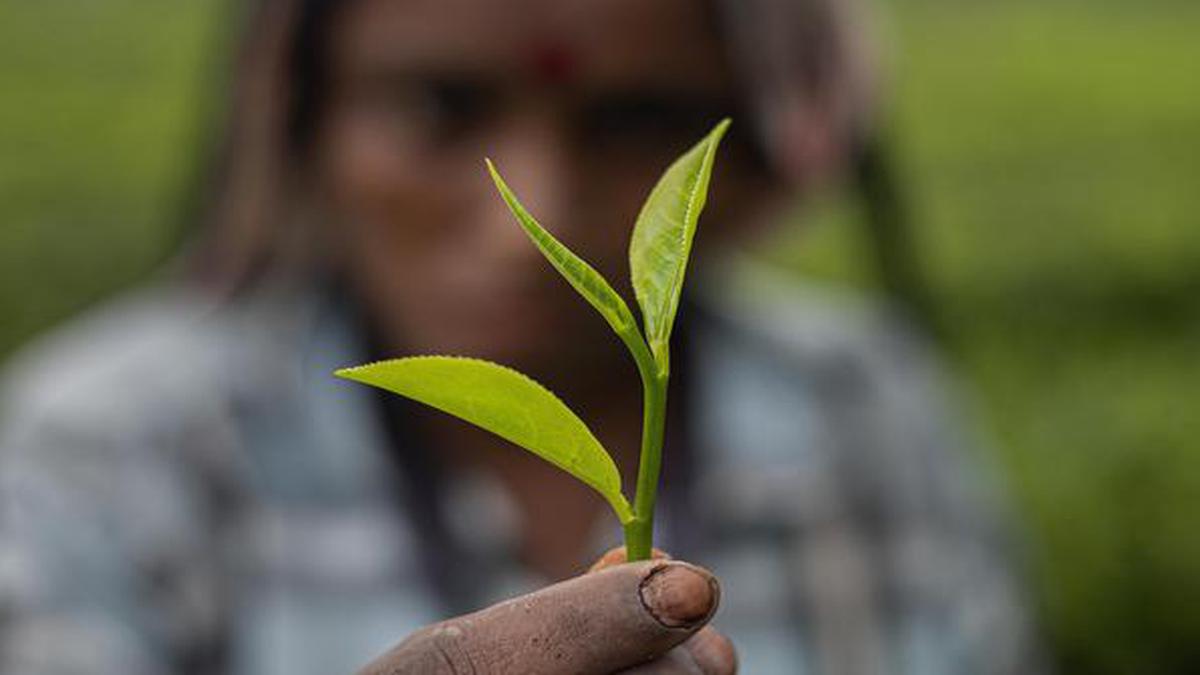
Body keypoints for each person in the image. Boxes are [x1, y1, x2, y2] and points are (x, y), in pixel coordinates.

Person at [0, 0, 1044, 673]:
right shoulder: (105, 446)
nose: (525, 216)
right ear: (305, 115)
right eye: (438, 105)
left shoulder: (866, 404)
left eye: (637, 117)